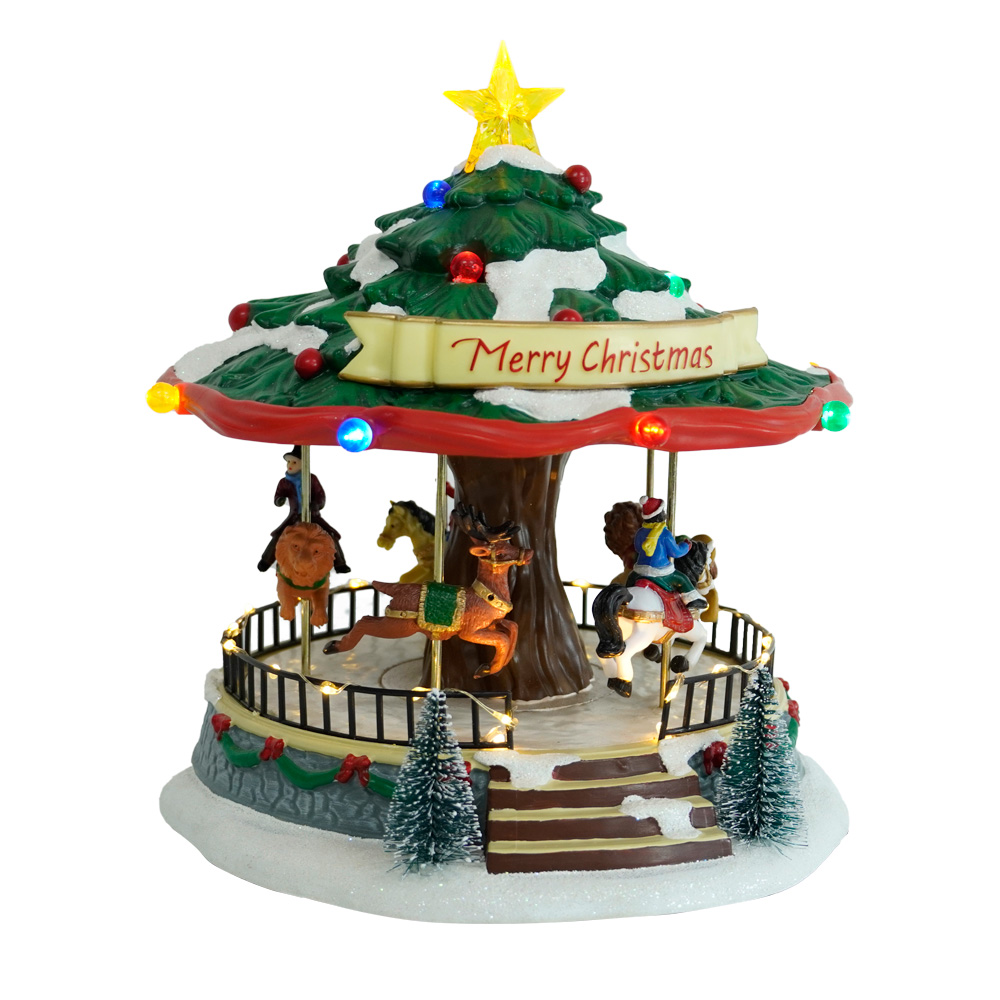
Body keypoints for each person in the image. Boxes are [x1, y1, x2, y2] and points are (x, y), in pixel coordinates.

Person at [257, 445, 350, 574]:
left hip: (313, 516)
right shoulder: (284, 482)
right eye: (289, 462)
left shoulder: (311, 479)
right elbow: (278, 496)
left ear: (303, 464)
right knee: (278, 536)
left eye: (294, 462)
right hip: (294, 516)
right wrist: (279, 500)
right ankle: (266, 560)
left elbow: (321, 496)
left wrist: (316, 505)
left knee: (330, 535)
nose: (290, 465)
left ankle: (340, 563)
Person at [626, 495, 701, 605]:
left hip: (640, 570)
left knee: (630, 579)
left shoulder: (640, 532)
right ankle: (692, 601)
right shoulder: (665, 534)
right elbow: (676, 553)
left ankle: (625, 596)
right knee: (682, 579)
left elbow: (637, 548)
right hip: (660, 570)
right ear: (660, 514)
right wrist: (686, 545)